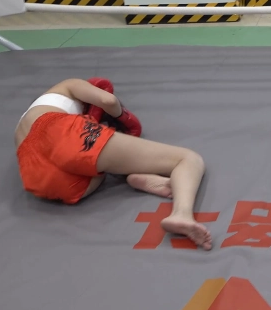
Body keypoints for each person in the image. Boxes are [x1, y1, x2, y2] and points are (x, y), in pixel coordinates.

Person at [15, 77, 213, 250]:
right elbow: (107, 100)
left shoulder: (23, 126)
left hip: (40, 178)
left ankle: (142, 177)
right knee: (187, 159)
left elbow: (61, 153)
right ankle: (181, 214)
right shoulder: (67, 85)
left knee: (95, 162)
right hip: (58, 131)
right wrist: (122, 116)